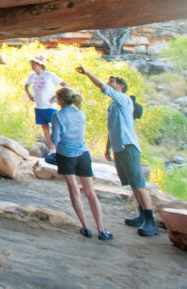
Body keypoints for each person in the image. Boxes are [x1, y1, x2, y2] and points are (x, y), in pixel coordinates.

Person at [76, 65, 158, 236]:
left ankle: (151, 221)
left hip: (128, 146)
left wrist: (87, 72)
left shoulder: (123, 99)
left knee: (138, 183)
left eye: (111, 82)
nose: (108, 83)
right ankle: (142, 215)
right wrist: (108, 147)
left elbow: (101, 87)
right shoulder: (113, 105)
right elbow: (112, 127)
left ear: (120, 87)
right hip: (120, 147)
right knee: (132, 183)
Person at [51, 86, 112, 240]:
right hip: (83, 153)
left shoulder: (58, 116)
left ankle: (85, 227)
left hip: (66, 155)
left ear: (61, 100)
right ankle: (102, 229)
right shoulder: (81, 114)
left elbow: (55, 139)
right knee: (90, 192)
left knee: (74, 190)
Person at [24, 54, 67, 155]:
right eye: (32, 63)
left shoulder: (49, 75)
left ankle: (60, 147)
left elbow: (65, 84)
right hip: (39, 106)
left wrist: (57, 96)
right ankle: (52, 148)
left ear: (40, 64)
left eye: (34, 63)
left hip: (50, 106)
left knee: (55, 127)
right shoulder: (32, 76)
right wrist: (29, 95)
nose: (32, 65)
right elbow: (26, 86)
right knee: (44, 127)